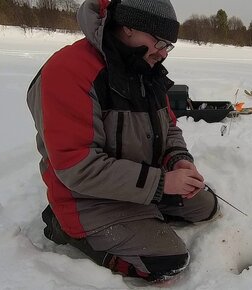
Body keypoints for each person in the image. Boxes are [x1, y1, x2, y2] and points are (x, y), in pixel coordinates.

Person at [26, 0, 219, 283]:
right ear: (129, 26)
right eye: (160, 42)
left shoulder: (144, 67)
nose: (164, 53)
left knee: (207, 207)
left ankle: (144, 212)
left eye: (169, 45)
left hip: (139, 186)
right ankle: (64, 227)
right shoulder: (68, 71)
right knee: (168, 260)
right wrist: (163, 184)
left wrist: (179, 161)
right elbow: (78, 166)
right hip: (87, 199)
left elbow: (169, 130)